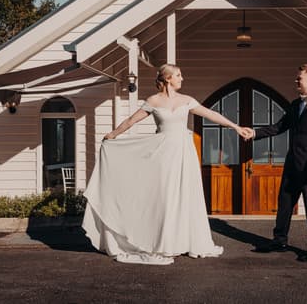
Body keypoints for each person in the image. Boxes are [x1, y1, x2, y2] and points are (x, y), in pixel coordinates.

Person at [82, 63, 253, 265]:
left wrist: (235, 127)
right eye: (178, 75)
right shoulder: (153, 101)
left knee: (185, 195)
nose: (182, 78)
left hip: (183, 153)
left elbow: (211, 115)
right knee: (165, 196)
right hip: (162, 154)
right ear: (168, 79)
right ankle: (164, 242)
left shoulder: (187, 100)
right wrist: (113, 134)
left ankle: (185, 241)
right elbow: (131, 121)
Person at [242, 63, 307, 262]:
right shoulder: (295, 105)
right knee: (284, 203)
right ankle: (279, 240)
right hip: (292, 164)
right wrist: (255, 133)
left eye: (299, 78)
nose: (296, 81)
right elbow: (279, 127)